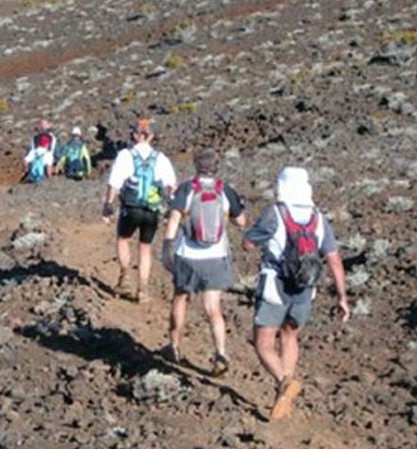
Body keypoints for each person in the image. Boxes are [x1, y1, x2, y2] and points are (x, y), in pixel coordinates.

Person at [242, 167, 349, 420]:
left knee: (263, 343)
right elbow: (333, 259)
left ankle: (283, 382)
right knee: (290, 337)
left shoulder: (275, 213)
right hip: (304, 290)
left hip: (274, 287)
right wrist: (342, 296)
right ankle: (283, 395)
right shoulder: (318, 218)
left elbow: (247, 244)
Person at [161, 147, 246, 376]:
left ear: (196, 165)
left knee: (180, 299)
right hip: (215, 257)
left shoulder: (187, 189)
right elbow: (241, 221)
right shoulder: (225, 190)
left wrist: (167, 246)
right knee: (213, 308)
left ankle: (174, 346)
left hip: (188, 255)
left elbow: (174, 218)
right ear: (217, 166)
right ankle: (220, 353)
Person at [102, 118, 177, 303]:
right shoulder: (161, 158)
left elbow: (114, 183)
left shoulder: (125, 155)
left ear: (135, 135)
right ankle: (143, 289)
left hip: (131, 207)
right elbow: (172, 187)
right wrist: (171, 210)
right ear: (151, 136)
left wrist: (108, 204)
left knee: (123, 239)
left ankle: (124, 277)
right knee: (145, 247)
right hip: (152, 210)